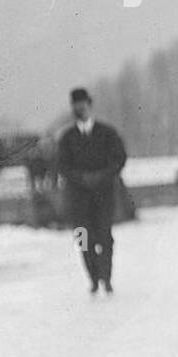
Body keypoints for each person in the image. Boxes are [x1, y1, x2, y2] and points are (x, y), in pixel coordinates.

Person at [57, 87, 128, 294]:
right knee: (83, 238)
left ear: (90, 105)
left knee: (105, 236)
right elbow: (62, 166)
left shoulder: (107, 133)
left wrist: (101, 176)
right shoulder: (67, 138)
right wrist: (81, 178)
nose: (80, 110)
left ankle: (106, 277)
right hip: (78, 198)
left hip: (103, 195)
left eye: (83, 106)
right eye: (76, 107)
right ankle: (94, 278)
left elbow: (119, 159)